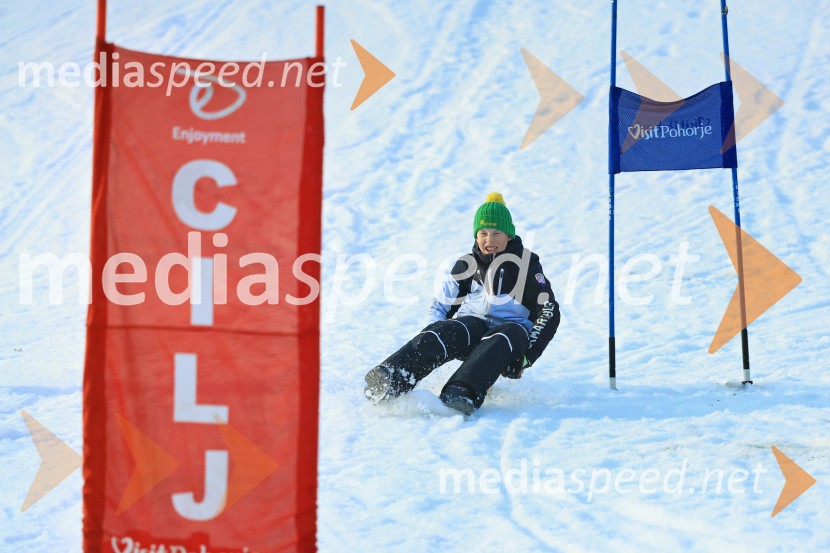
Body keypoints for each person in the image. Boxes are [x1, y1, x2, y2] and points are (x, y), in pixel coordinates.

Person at [363, 192, 561, 415]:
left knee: (506, 333)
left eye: (496, 233)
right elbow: (441, 305)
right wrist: (433, 333)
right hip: (474, 327)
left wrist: (527, 356)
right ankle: (394, 376)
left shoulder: (526, 265)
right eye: (483, 233)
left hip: (509, 337)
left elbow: (549, 309)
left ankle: (462, 391)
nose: (489, 240)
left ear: (509, 235)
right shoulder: (467, 264)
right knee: (448, 328)